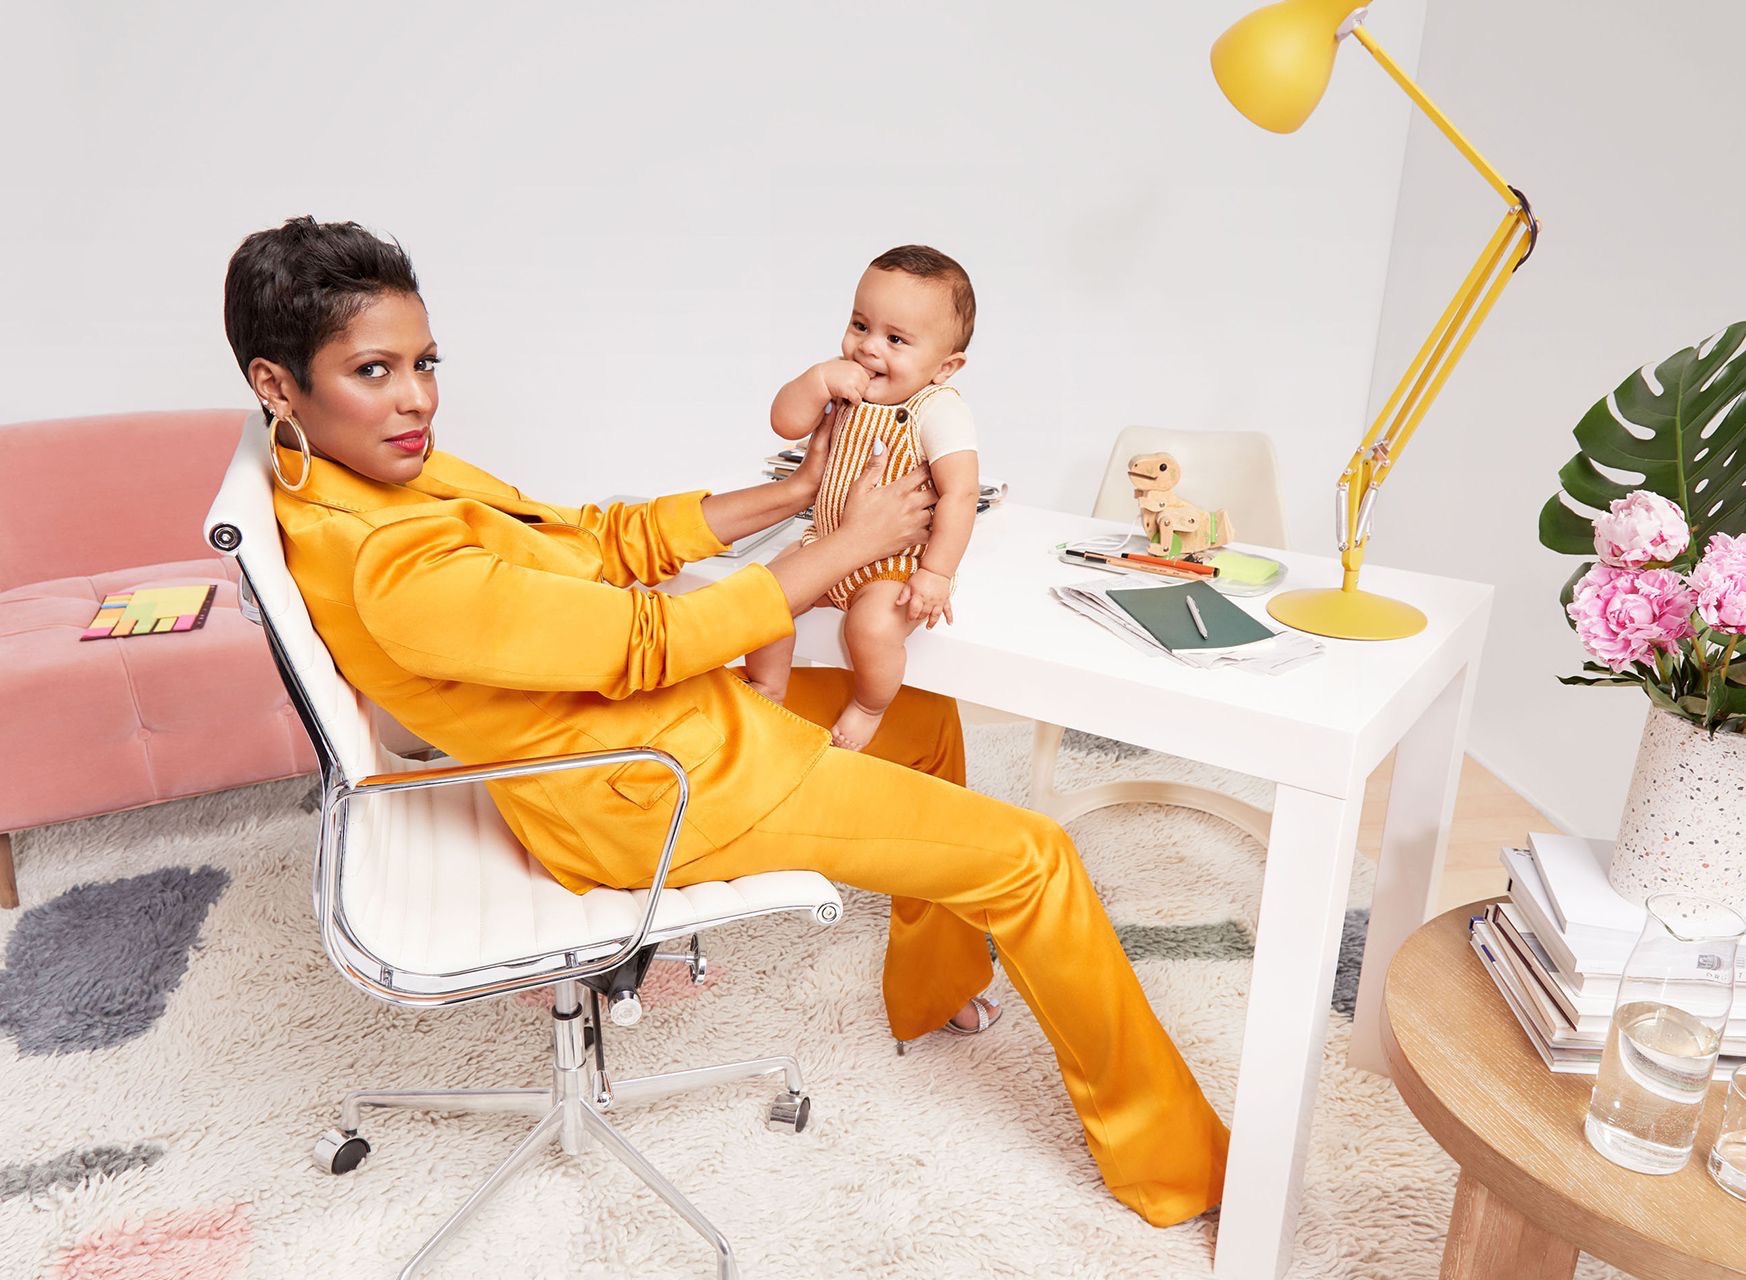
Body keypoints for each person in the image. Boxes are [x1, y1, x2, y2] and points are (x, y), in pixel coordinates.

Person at [224, 216, 1229, 1229]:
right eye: (374, 370)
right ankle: (1175, 1167)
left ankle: (932, 989)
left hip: (658, 724)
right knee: (1035, 857)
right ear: (278, 385)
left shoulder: (383, 472)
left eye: (424, 362)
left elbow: (600, 540)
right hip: (646, 787)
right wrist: (851, 544)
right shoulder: (390, 560)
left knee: (922, 720)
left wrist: (798, 492)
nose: (417, 398)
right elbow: (654, 637)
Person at [744, 246, 980, 753]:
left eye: (895, 339)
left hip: (892, 565)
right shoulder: (841, 382)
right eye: (860, 325)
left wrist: (935, 574)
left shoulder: (937, 410)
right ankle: (768, 685)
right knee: (762, 598)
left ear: (946, 366)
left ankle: (870, 704)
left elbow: (961, 493)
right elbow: (786, 423)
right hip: (826, 544)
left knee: (871, 628)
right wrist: (816, 381)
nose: (868, 347)